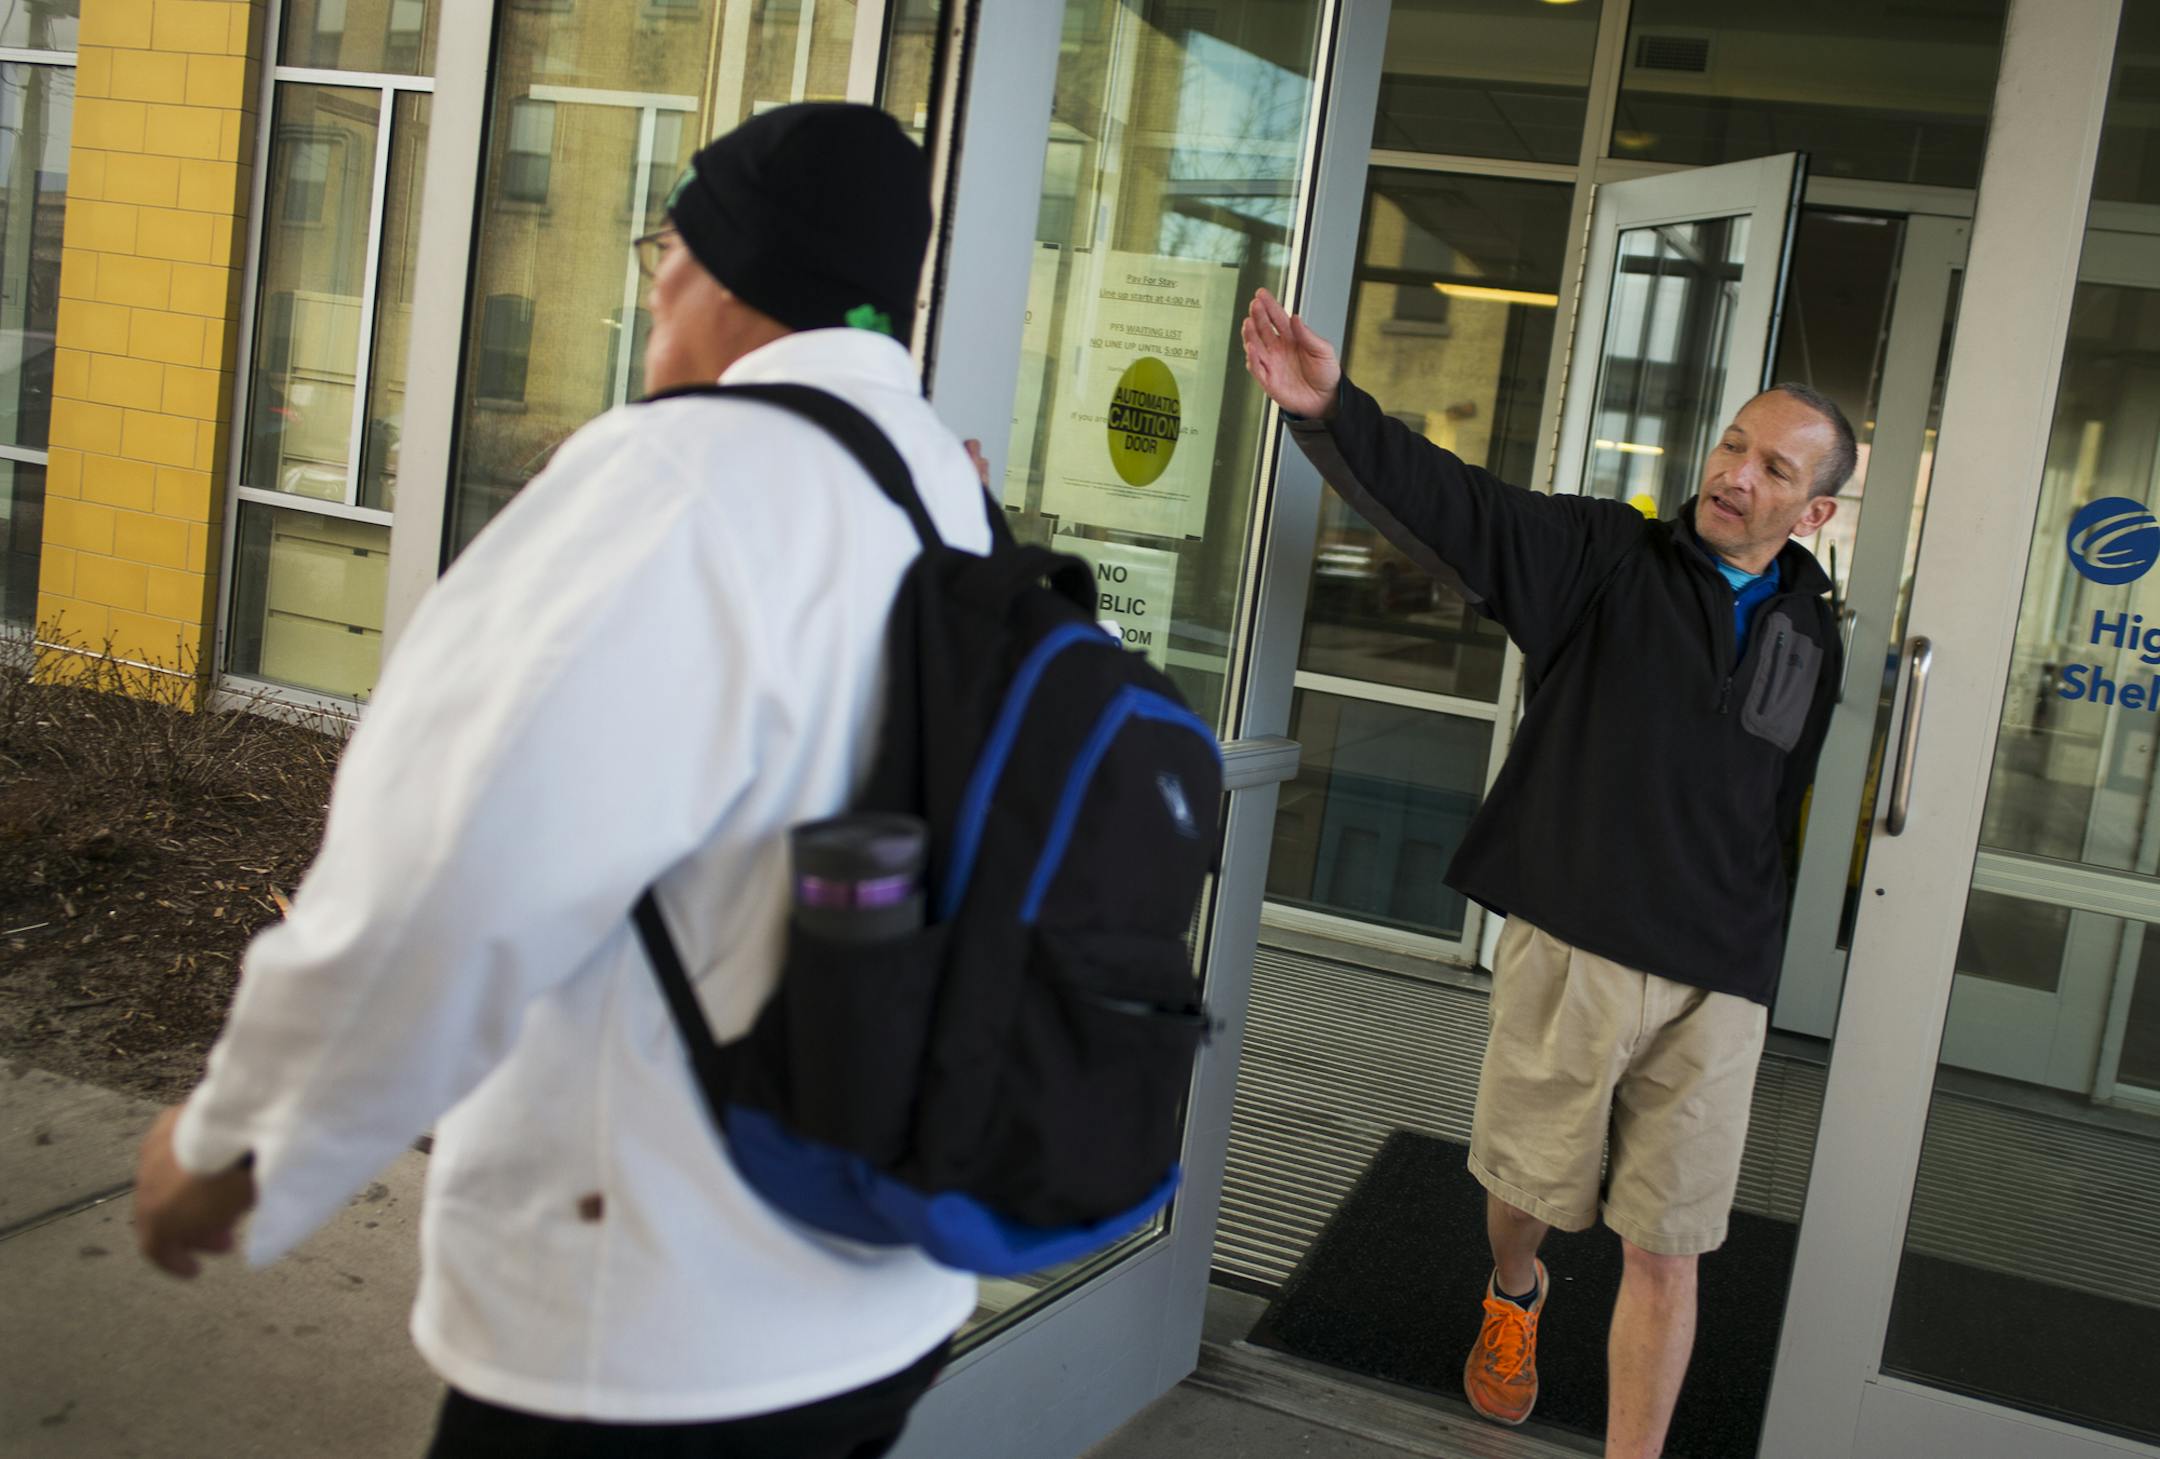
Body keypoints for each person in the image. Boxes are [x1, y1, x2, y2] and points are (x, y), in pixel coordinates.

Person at [131, 103, 990, 1458]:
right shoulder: (943, 487)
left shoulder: (679, 481)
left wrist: (243, 1138)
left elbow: (449, 871)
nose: (655, 278)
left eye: (669, 243)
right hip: (883, 1289)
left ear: (715, 268)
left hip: (655, 1316)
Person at [1241, 287, 1847, 1458]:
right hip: (1578, 937)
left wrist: (1761, 953)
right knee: (1528, 1195)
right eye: (1733, 442)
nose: (1735, 474)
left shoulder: (1812, 630)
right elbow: (1455, 507)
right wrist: (1332, 411)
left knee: (1669, 1244)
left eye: (1773, 468)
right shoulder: (1604, 558)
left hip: (1718, 971)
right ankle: (1514, 1286)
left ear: (1814, 510)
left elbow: (1775, 797)